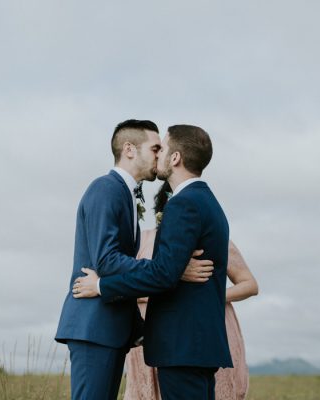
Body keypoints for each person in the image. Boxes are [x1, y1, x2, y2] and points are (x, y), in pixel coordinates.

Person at [54, 120, 211, 400]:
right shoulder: (105, 188)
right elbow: (106, 261)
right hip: (94, 325)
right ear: (129, 149)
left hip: (110, 328)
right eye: (155, 148)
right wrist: (171, 270)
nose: (160, 155)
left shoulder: (125, 194)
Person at [124, 182, 259, 400]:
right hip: (156, 330)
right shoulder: (144, 240)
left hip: (203, 327)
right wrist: (168, 284)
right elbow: (132, 284)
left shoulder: (213, 237)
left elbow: (250, 284)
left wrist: (212, 294)